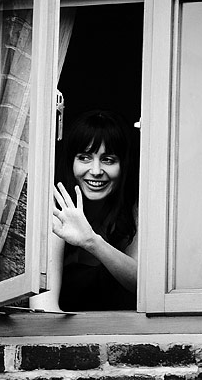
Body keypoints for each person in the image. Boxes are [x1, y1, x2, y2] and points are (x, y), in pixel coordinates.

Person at [48, 110, 139, 311]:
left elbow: (145, 287)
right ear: (70, 162)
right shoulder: (56, 210)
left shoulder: (134, 209)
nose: (96, 171)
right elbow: (44, 308)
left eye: (108, 159)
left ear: (123, 166)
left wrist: (91, 241)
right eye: (84, 157)